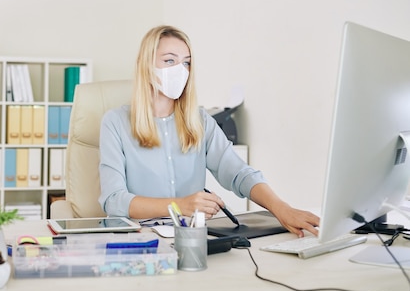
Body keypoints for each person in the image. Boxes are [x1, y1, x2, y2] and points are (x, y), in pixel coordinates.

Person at [98, 25, 319, 237]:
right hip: (138, 240)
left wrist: (282, 209)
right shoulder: (115, 123)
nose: (180, 70)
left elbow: (239, 173)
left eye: (186, 63)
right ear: (145, 65)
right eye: (169, 61)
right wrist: (178, 206)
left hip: (191, 236)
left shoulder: (200, 121)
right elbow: (114, 200)